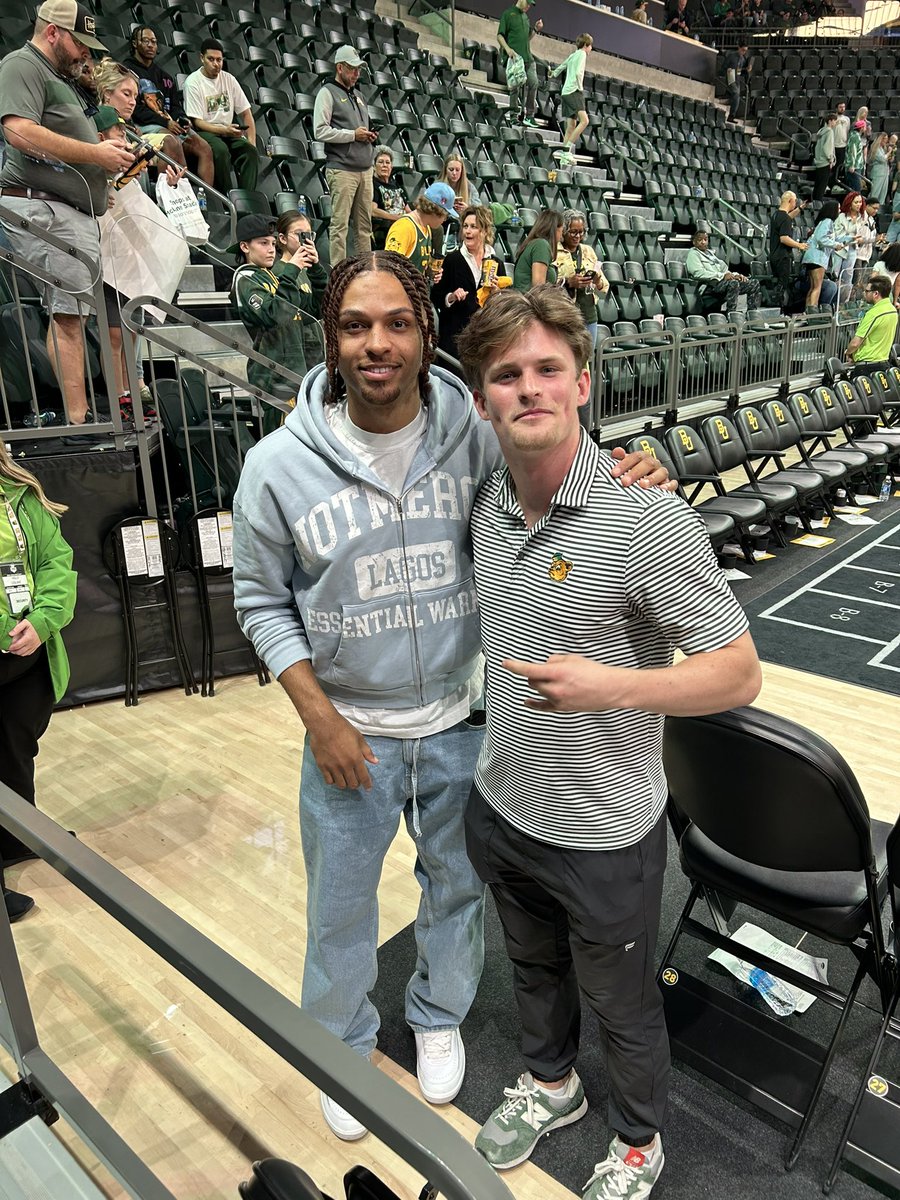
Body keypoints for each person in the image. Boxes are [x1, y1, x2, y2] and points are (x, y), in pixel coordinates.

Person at [230, 249, 671, 1143]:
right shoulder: (277, 465)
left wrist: (639, 461)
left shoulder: (471, 432)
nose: (377, 343)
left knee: (456, 896)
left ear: (427, 334)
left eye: (398, 322)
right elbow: (258, 601)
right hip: (351, 730)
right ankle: (342, 1045)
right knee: (341, 910)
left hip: (470, 725)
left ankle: (437, 1015)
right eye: (356, 325)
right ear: (332, 339)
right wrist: (319, 716)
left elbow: (550, 438)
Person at [454, 285, 760, 1199]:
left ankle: (638, 1143)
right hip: (503, 803)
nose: (530, 389)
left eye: (549, 369)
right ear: (482, 401)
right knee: (533, 972)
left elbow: (737, 673)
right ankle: (553, 1087)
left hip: (605, 832)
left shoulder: (648, 516)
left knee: (623, 1010)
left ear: (583, 384)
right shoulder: (482, 506)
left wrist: (612, 687)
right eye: (507, 376)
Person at [0, 0, 135, 427]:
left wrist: (99, 175)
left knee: (74, 314)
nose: (86, 53)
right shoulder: (22, 65)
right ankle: (79, 422)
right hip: (43, 205)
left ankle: (83, 416)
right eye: (80, 42)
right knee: (68, 316)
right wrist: (95, 154)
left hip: (68, 209)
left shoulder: (59, 76)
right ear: (53, 32)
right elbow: (18, 131)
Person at [0, 438, 77, 921]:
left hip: (25, 652)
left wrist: (44, 618)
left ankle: (16, 835)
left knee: (14, 744)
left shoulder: (20, 493)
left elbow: (55, 562)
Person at [230, 214, 318, 426]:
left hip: (295, 373)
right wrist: (292, 270)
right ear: (244, 246)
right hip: (276, 379)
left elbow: (313, 309)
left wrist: (316, 270)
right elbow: (274, 314)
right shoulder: (245, 277)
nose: (271, 249)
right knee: (285, 449)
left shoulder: (269, 275)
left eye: (272, 243)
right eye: (263, 243)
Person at [123, 26, 214, 186]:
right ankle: (171, 197)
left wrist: (182, 120)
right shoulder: (127, 71)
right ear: (135, 43)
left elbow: (175, 106)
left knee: (204, 147)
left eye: (154, 42)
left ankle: (206, 199)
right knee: (171, 140)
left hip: (169, 123)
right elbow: (135, 110)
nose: (151, 45)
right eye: (146, 41)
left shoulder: (165, 77)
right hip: (144, 125)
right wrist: (166, 123)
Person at [182, 38, 258, 194]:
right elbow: (197, 122)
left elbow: (246, 113)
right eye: (211, 59)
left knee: (250, 151)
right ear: (201, 58)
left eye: (219, 60)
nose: (216, 64)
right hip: (205, 131)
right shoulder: (193, 82)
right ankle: (225, 198)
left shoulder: (229, 79)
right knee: (220, 150)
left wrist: (252, 142)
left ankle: (246, 198)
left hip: (227, 131)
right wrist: (224, 131)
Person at [431, 205, 504, 359]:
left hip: (485, 338)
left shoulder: (496, 262)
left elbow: (504, 302)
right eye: (465, 226)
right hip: (455, 338)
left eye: (473, 227)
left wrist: (497, 293)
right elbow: (436, 296)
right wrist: (451, 296)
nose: (467, 231)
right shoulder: (452, 259)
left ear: (484, 231)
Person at [555, 208, 609, 350]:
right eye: (573, 231)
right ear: (564, 230)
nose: (577, 236)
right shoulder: (554, 251)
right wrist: (568, 282)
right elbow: (546, 284)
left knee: (587, 358)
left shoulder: (588, 251)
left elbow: (604, 286)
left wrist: (596, 280)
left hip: (589, 314)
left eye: (581, 232)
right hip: (566, 316)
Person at [384, 184, 455, 277]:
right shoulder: (404, 227)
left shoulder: (426, 228)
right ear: (436, 211)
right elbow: (389, 269)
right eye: (445, 215)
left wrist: (430, 271)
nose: (444, 220)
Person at [685, 229, 761, 311]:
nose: (703, 242)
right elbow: (699, 273)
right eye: (700, 240)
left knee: (754, 283)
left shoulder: (710, 254)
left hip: (722, 282)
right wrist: (722, 276)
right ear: (694, 242)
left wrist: (736, 275)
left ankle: (752, 312)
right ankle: (731, 313)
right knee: (733, 284)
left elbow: (724, 269)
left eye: (705, 239)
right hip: (710, 285)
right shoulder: (693, 254)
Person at [801, 199, 855, 309]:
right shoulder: (828, 221)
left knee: (813, 287)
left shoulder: (824, 222)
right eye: (838, 209)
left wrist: (850, 238)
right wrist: (835, 245)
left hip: (812, 258)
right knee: (817, 287)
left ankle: (807, 313)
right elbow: (821, 239)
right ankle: (812, 313)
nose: (840, 211)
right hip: (818, 258)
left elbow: (835, 238)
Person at [497, 0, 543, 127]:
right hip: (515, 58)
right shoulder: (508, 14)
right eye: (527, 3)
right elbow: (499, 36)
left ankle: (529, 116)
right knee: (515, 88)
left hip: (528, 58)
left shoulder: (525, 17)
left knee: (534, 83)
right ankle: (513, 116)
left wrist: (535, 29)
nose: (529, 6)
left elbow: (527, 38)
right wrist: (507, 49)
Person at [550, 34, 592, 167]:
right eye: (590, 46)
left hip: (565, 92)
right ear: (586, 45)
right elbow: (579, 73)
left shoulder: (573, 55)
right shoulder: (582, 54)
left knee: (571, 126)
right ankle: (567, 150)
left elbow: (562, 66)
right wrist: (579, 87)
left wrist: (553, 74)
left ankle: (564, 157)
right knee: (585, 121)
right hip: (574, 91)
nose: (591, 48)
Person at [846, 274, 899, 365]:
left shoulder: (874, 313)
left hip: (867, 364)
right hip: (883, 363)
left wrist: (848, 352)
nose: (864, 293)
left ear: (876, 294)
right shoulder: (893, 310)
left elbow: (855, 343)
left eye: (867, 291)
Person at [768, 191, 808, 307]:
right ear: (790, 201)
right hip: (782, 256)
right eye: (795, 201)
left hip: (774, 255)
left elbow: (788, 217)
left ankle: (777, 308)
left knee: (780, 283)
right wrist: (799, 245)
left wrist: (800, 208)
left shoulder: (777, 215)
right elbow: (784, 238)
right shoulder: (784, 218)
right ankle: (777, 309)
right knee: (782, 284)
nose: (795, 203)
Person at [513, 207, 563, 290]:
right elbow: (538, 287)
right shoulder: (541, 245)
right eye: (562, 229)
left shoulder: (535, 243)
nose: (562, 235)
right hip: (529, 301)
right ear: (555, 229)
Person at [371, 146, 410, 251]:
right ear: (374, 166)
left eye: (387, 163)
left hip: (403, 221)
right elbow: (373, 210)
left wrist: (413, 219)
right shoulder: (373, 184)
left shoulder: (395, 183)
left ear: (391, 167)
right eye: (381, 162)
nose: (384, 165)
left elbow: (406, 208)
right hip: (387, 224)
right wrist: (395, 218)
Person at [832, 191, 866, 299]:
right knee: (835, 275)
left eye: (860, 202)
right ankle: (832, 302)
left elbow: (861, 234)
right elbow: (836, 236)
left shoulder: (862, 217)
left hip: (853, 249)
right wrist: (851, 238)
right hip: (839, 249)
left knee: (848, 277)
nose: (859, 204)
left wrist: (861, 240)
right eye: (856, 202)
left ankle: (843, 304)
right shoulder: (841, 216)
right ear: (850, 203)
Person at [812, 113, 837, 201]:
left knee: (817, 185)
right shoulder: (829, 132)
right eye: (834, 121)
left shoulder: (821, 131)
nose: (835, 123)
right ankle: (817, 204)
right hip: (825, 162)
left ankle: (814, 202)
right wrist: (831, 160)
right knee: (822, 186)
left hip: (819, 161)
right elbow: (827, 148)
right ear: (830, 121)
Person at [724, 43, 750, 123]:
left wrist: (746, 69)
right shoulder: (732, 56)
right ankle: (731, 115)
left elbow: (740, 70)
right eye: (743, 50)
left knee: (737, 96)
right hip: (730, 75)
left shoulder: (743, 59)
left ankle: (732, 115)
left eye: (745, 51)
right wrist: (728, 70)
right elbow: (724, 66)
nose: (744, 52)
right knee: (736, 94)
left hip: (737, 78)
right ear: (739, 48)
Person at [868, 132, 891, 206]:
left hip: (885, 173)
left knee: (883, 193)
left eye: (887, 139)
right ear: (880, 139)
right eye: (885, 139)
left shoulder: (883, 148)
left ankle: (879, 210)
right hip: (878, 173)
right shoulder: (876, 148)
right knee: (875, 193)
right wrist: (889, 152)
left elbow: (888, 159)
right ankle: (871, 208)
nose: (886, 141)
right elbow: (882, 159)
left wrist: (891, 154)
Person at [844, 120, 866, 193]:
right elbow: (852, 152)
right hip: (854, 167)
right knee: (856, 189)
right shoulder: (855, 137)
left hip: (857, 166)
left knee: (855, 189)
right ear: (862, 128)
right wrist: (851, 165)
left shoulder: (855, 136)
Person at [832, 100, 850, 185]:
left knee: (840, 166)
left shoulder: (847, 119)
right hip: (834, 145)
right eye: (840, 107)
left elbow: (847, 131)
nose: (842, 109)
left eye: (843, 107)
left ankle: (837, 182)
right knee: (833, 166)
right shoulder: (832, 118)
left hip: (843, 145)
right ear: (836, 108)